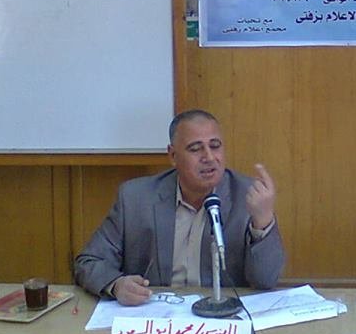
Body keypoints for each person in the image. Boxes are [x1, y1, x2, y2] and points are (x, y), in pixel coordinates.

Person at [74, 109, 285, 305]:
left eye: (215, 146)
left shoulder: (249, 197)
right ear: (173, 156)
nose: (209, 157)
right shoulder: (136, 198)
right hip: (156, 313)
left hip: (222, 316)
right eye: (195, 149)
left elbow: (265, 280)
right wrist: (116, 285)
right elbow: (89, 262)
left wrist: (263, 221)